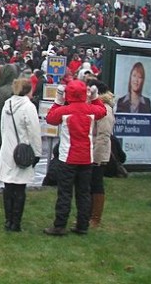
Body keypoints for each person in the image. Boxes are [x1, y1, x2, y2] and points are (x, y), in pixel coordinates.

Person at [44, 80, 107, 235]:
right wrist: (94, 97)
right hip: (86, 157)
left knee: (65, 193)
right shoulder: (90, 109)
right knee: (84, 192)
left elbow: (50, 118)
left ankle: (60, 225)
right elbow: (102, 111)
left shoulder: (65, 110)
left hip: (68, 157)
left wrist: (58, 100)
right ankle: (82, 225)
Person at [0, 79, 42, 232]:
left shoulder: (7, 104)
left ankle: (8, 220)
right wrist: (37, 153)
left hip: (8, 149)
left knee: (8, 187)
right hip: (22, 150)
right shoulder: (28, 107)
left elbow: (3, 127)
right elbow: (34, 132)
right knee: (19, 188)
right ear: (28, 90)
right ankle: (16, 222)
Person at [87, 79, 114, 227]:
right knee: (91, 183)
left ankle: (96, 217)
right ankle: (89, 214)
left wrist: (96, 157)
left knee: (97, 184)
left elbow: (103, 135)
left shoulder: (104, 108)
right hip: (92, 150)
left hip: (98, 152)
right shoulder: (95, 105)